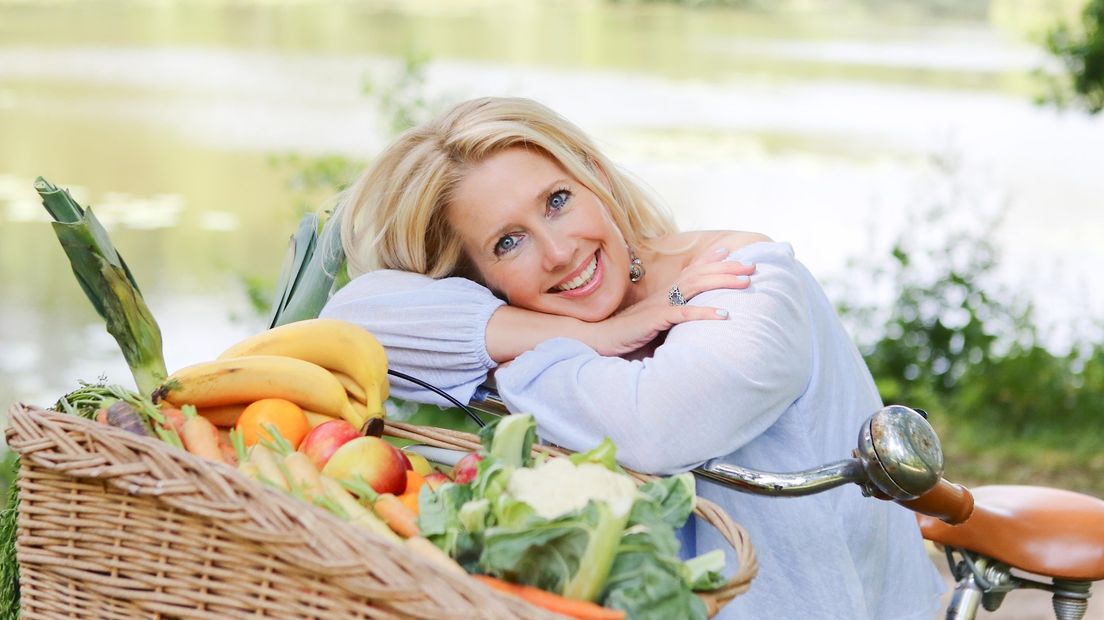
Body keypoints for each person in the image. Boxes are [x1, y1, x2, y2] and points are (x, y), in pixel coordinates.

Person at [320, 97, 944, 618]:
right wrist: (590, 337)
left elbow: (657, 425)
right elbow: (348, 324)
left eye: (558, 200)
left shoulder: (747, 279)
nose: (559, 252)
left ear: (596, 176)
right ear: (478, 278)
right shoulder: (558, 323)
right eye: (508, 243)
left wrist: (525, 357)